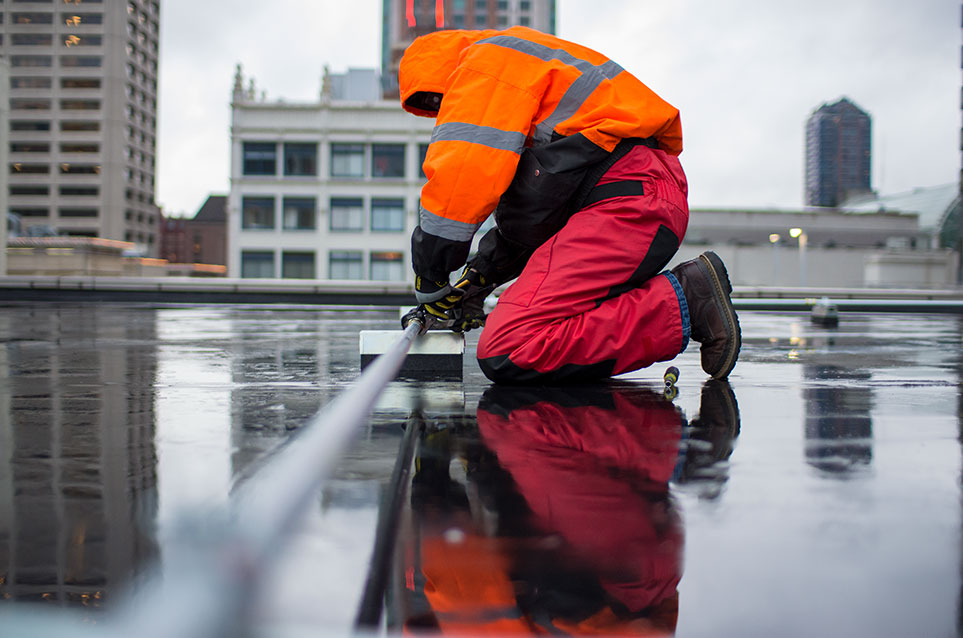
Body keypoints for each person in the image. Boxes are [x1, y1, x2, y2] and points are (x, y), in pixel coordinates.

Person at [399, 25, 740, 383]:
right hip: (636, 194)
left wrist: (431, 276)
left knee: (510, 345)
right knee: (527, 333)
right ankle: (685, 299)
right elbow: (535, 219)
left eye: (435, 101)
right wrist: (478, 279)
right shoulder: (525, 77)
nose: (441, 111)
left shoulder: (483, 66)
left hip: (626, 200)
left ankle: (686, 298)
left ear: (439, 74)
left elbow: (461, 177)